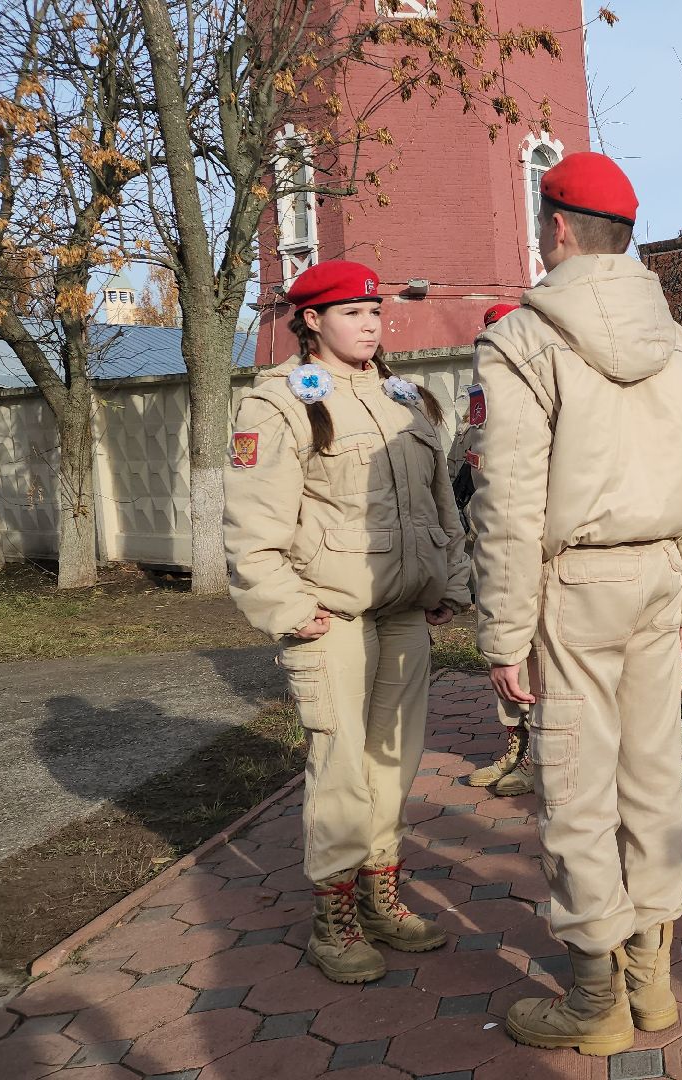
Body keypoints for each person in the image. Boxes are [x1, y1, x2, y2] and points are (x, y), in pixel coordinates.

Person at [471, 151, 682, 1056]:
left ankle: (595, 1001)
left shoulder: (524, 341)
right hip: (657, 573)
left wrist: (502, 632)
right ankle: (653, 985)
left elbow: (510, 503)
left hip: (574, 583)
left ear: (561, 230)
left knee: (575, 789)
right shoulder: (681, 343)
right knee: (652, 778)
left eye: (544, 225)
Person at [224, 260, 473, 985]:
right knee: (338, 767)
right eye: (351, 313)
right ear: (310, 320)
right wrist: (292, 610)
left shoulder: (409, 399)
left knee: (392, 764)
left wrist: (450, 580)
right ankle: (332, 918)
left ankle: (380, 896)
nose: (370, 323)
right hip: (330, 616)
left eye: (375, 311)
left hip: (404, 614)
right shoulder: (279, 404)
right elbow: (250, 527)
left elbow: (442, 509)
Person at [453, 303, 535, 799]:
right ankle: (516, 743)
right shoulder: (479, 412)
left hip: (526, 549)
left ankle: (535, 755)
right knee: (506, 659)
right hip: (492, 550)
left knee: (532, 663)